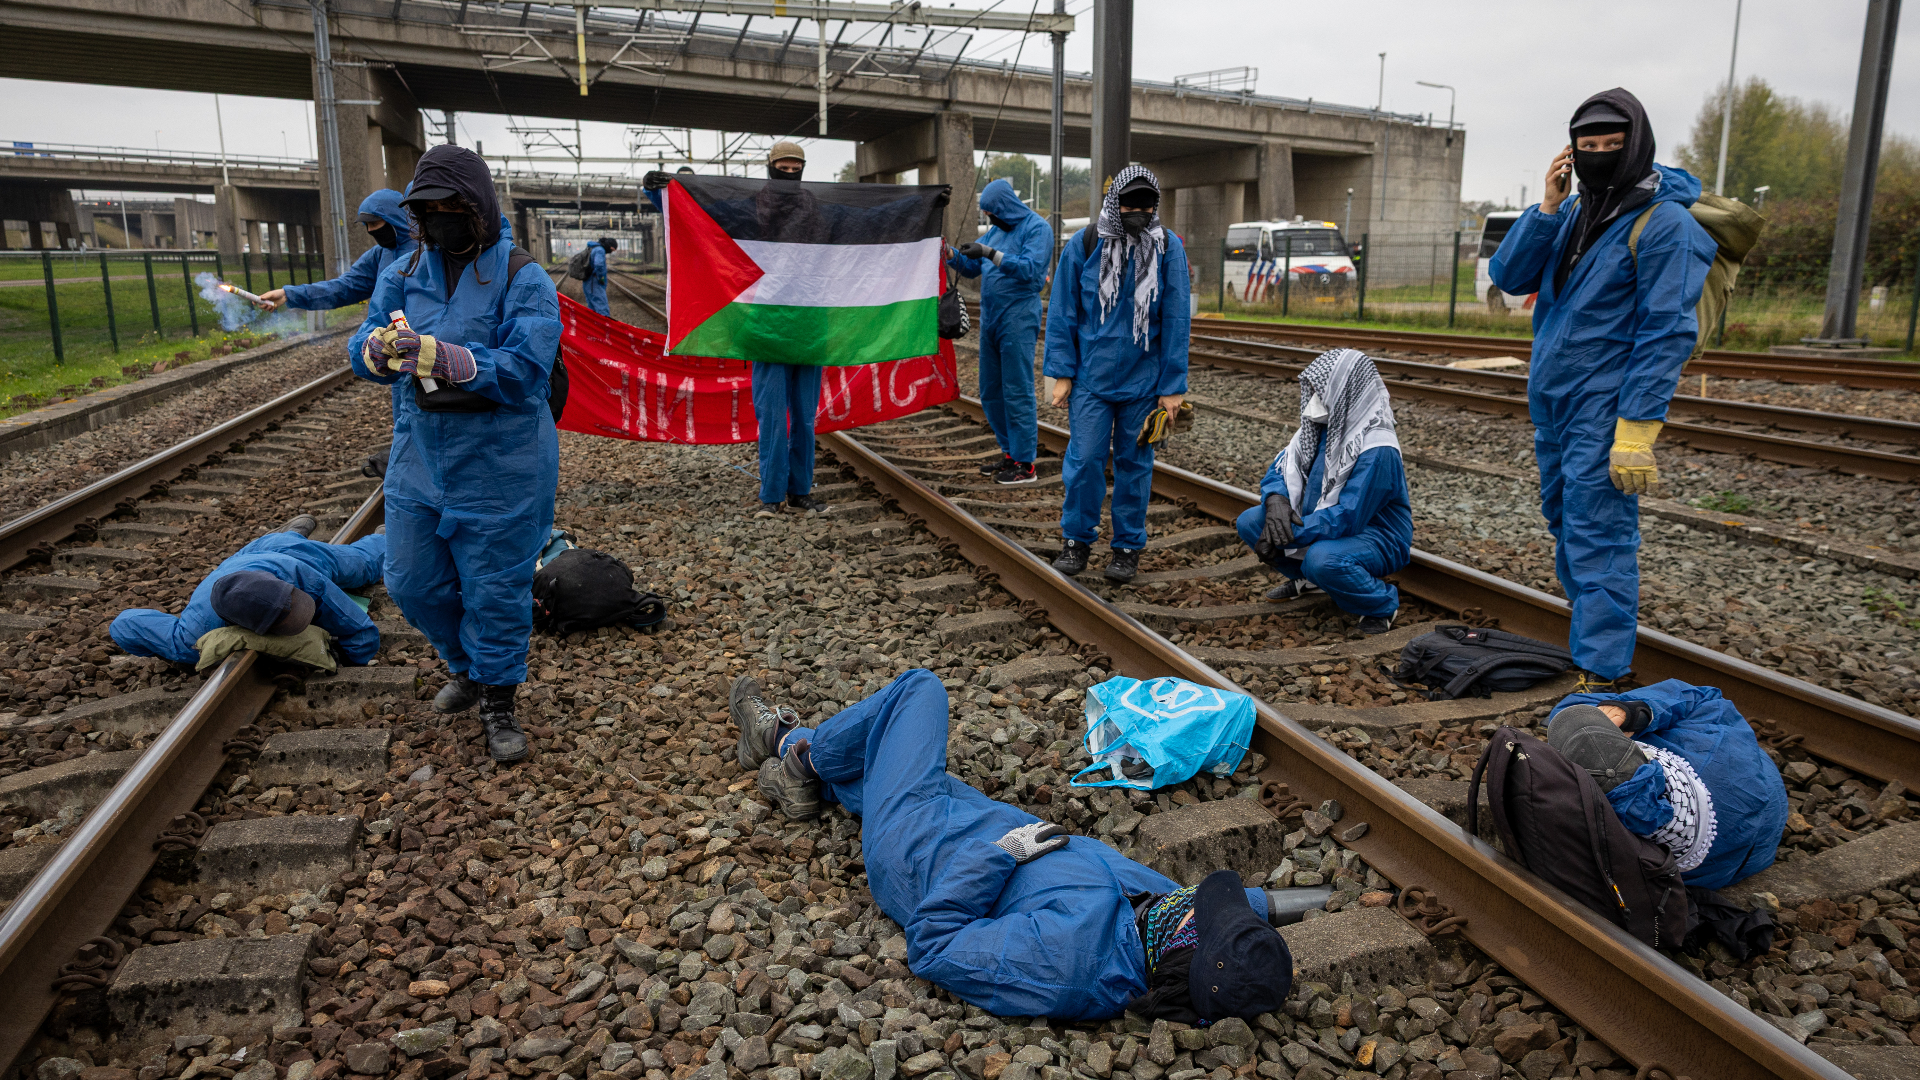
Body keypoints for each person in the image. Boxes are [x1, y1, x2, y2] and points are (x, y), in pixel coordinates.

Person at [731, 669, 1295, 1023]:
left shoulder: (1069, 963)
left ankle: (796, 754)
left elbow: (934, 944)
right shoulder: (1161, 922)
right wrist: (1273, 912)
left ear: (1185, 950)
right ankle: (800, 769)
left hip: (915, 844)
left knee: (919, 690)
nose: (1198, 899)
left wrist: (1000, 855)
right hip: (962, 814)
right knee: (876, 760)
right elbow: (1231, 915)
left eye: (1206, 914)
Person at [1487, 89, 1716, 691]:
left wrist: (1636, 428)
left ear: (1636, 146)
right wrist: (1547, 207)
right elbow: (1509, 276)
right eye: (1587, 146)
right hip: (1555, 400)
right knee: (1565, 520)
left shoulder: (1665, 225)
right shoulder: (1573, 213)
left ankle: (1603, 670)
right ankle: (1591, 637)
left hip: (1605, 405)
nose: (1599, 155)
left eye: (1613, 145)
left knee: (1599, 534)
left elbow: (1667, 330)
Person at [349, 144, 562, 764]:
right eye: (428, 211)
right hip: (419, 453)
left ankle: (498, 695)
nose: (440, 221)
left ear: (479, 208)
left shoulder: (522, 276)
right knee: (410, 580)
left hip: (502, 459)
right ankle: (465, 665)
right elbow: (362, 338)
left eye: (452, 209)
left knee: (495, 587)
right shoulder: (403, 271)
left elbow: (527, 368)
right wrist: (373, 353)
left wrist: (453, 359)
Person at [1045, 166, 1191, 584]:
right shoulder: (1085, 244)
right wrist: (1062, 373)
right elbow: (1063, 310)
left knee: (1135, 465)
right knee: (1084, 460)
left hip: (1143, 383)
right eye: (1129, 203)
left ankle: (1127, 548)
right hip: (1091, 380)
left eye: (1146, 204)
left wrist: (1172, 386)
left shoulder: (1168, 249)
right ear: (1114, 203)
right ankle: (1076, 540)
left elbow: (1176, 318)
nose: (1137, 211)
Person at [1546, 679, 1788, 892]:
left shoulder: (1615, 854)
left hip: (1734, 855)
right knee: (1579, 714)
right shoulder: (1716, 752)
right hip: (1751, 796)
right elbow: (1705, 697)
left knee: (1571, 716)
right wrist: (1639, 711)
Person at [1235, 350, 1410, 635]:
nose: (1314, 396)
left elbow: (1349, 515)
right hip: (1322, 521)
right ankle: (1310, 580)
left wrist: (1284, 532)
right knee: (1250, 521)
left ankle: (1380, 605)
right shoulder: (1323, 427)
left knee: (1322, 559)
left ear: (1345, 390)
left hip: (1377, 535)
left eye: (1321, 388)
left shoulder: (1378, 447)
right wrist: (1276, 500)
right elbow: (1280, 469)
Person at [110, 515, 386, 666]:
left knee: (360, 566)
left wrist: (346, 658)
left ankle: (382, 538)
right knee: (185, 653)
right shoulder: (196, 630)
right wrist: (161, 654)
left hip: (291, 556)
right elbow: (122, 625)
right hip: (248, 556)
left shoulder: (306, 579)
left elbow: (361, 631)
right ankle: (286, 533)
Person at [947, 178, 1053, 485]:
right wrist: (952, 255)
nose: (989, 218)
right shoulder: (996, 232)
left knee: (1017, 390)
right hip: (992, 319)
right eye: (986, 213)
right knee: (991, 390)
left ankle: (1025, 463)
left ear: (1005, 207)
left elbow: (1031, 270)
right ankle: (1010, 453)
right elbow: (973, 268)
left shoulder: (1037, 229)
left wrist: (990, 252)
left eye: (992, 212)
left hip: (1018, 317)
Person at [258, 190, 415, 312]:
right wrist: (289, 294)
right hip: (390, 336)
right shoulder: (379, 254)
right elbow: (345, 287)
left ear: (393, 219)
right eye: (366, 225)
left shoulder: (422, 250)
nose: (370, 230)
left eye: (374, 224)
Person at [582, 237, 617, 317]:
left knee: (592, 309)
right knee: (602, 308)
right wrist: (601, 278)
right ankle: (604, 325)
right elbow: (599, 265)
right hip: (594, 283)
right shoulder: (600, 250)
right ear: (610, 246)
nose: (611, 252)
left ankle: (594, 324)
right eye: (612, 250)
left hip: (589, 283)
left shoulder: (594, 248)